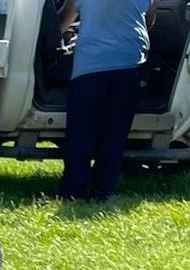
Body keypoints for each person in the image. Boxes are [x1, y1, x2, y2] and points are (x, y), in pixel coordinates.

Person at [58, 0, 150, 201]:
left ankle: (75, 189)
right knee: (115, 133)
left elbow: (64, 21)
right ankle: (103, 189)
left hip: (91, 63)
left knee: (81, 133)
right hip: (130, 59)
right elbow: (150, 20)